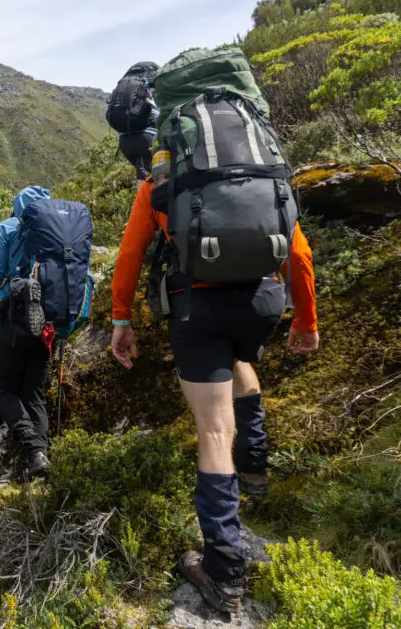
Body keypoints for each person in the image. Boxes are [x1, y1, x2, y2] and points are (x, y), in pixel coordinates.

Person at [110, 173, 320, 613]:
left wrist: (121, 318)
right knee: (238, 362)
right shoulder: (264, 172)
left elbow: (131, 252)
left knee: (214, 431)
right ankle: (255, 475)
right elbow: (297, 250)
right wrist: (305, 319)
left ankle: (223, 571)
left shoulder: (162, 179)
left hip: (198, 305)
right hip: (261, 301)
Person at [0, 185, 53, 478]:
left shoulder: (8, 227)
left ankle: (33, 450)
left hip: (15, 321)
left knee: (2, 387)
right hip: (49, 326)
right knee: (34, 392)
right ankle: (41, 458)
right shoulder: (58, 230)